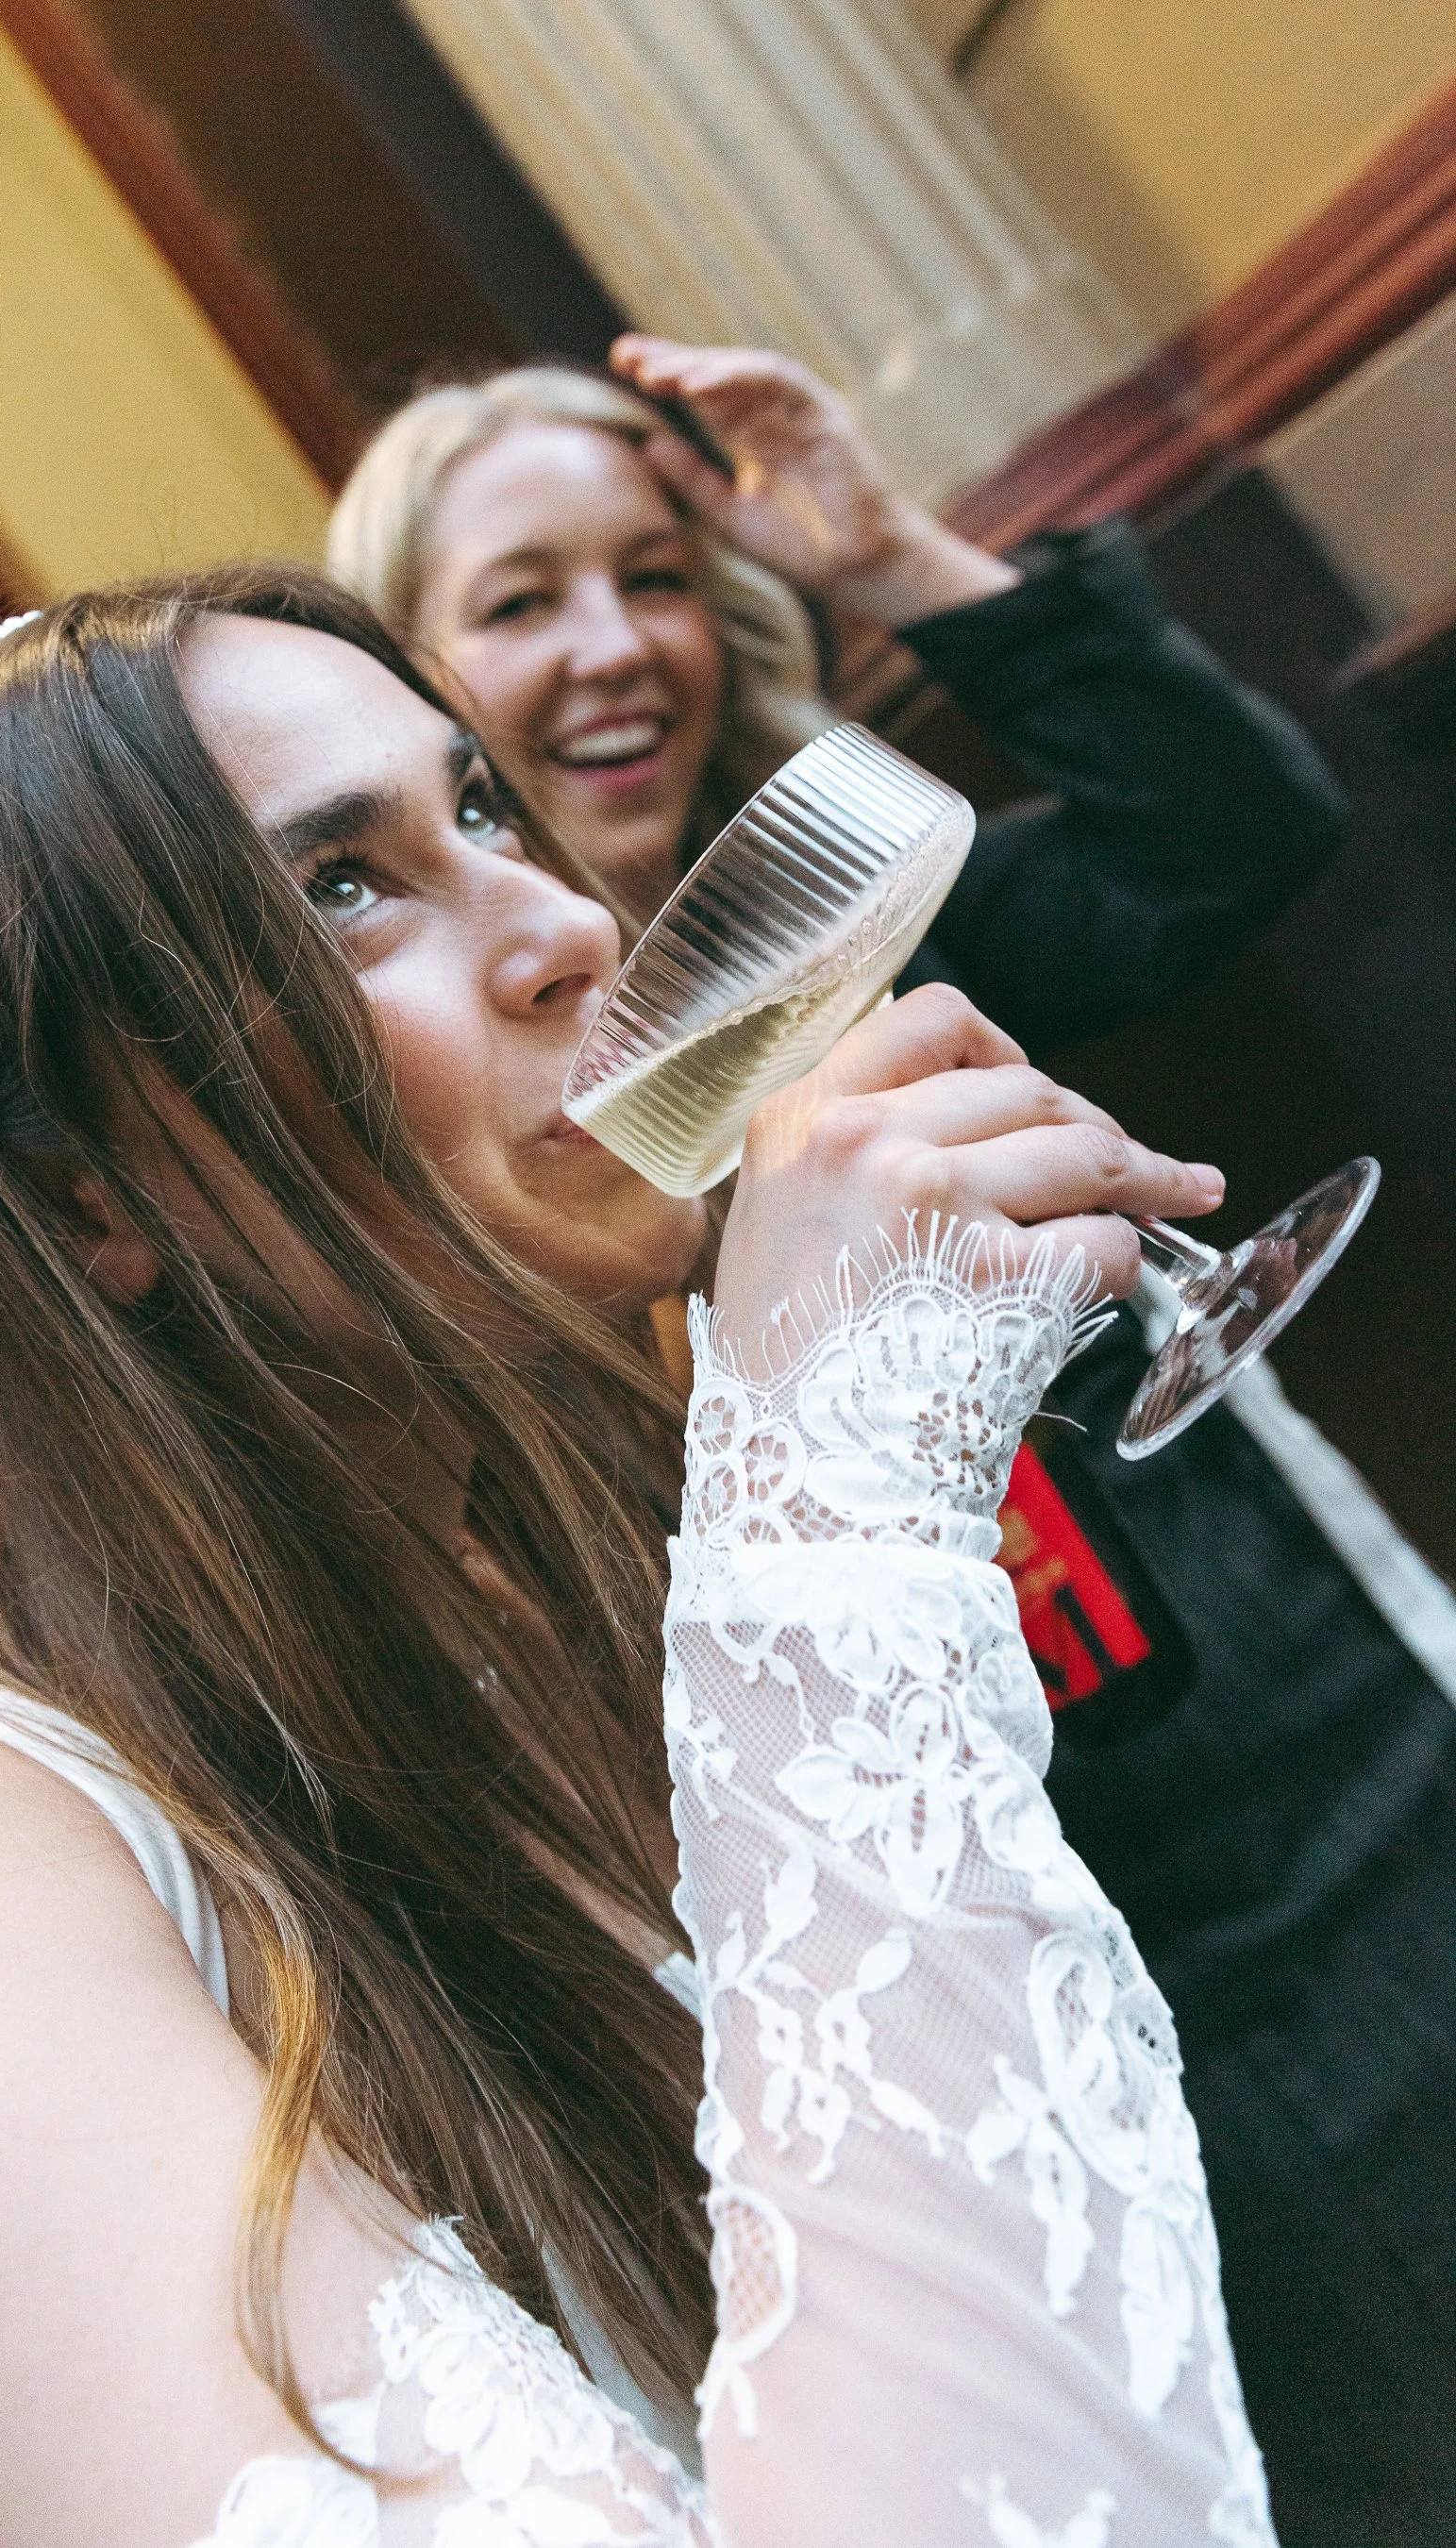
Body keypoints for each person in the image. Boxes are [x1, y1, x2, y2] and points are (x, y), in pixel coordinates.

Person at [0, 570, 1266, 2547]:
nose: (568, 924)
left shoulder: (544, 1578)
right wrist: (836, 1534)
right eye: (341, 889)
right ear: (83, 1193)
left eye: (480, 813)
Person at [324, 342, 1456, 2540]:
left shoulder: (870, 939)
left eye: (652, 575)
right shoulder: (496, 1155)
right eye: (522, 602)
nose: (613, 642)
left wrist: (880, 553)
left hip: (1367, 1788)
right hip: (1130, 1988)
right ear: (430, 708)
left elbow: (1232, 829)